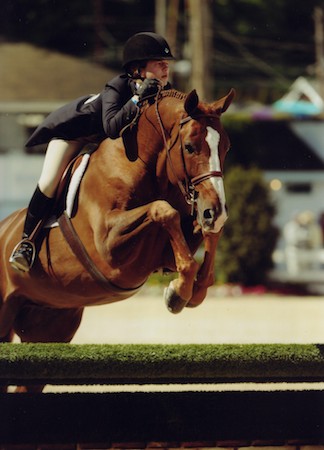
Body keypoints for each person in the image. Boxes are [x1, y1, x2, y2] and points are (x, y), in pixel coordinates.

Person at [9, 32, 175, 272]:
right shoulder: (117, 87)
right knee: (49, 181)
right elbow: (111, 127)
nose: (165, 67)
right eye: (158, 62)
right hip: (73, 134)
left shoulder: (163, 90)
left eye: (166, 63)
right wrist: (138, 98)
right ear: (138, 69)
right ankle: (26, 243)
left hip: (104, 143)